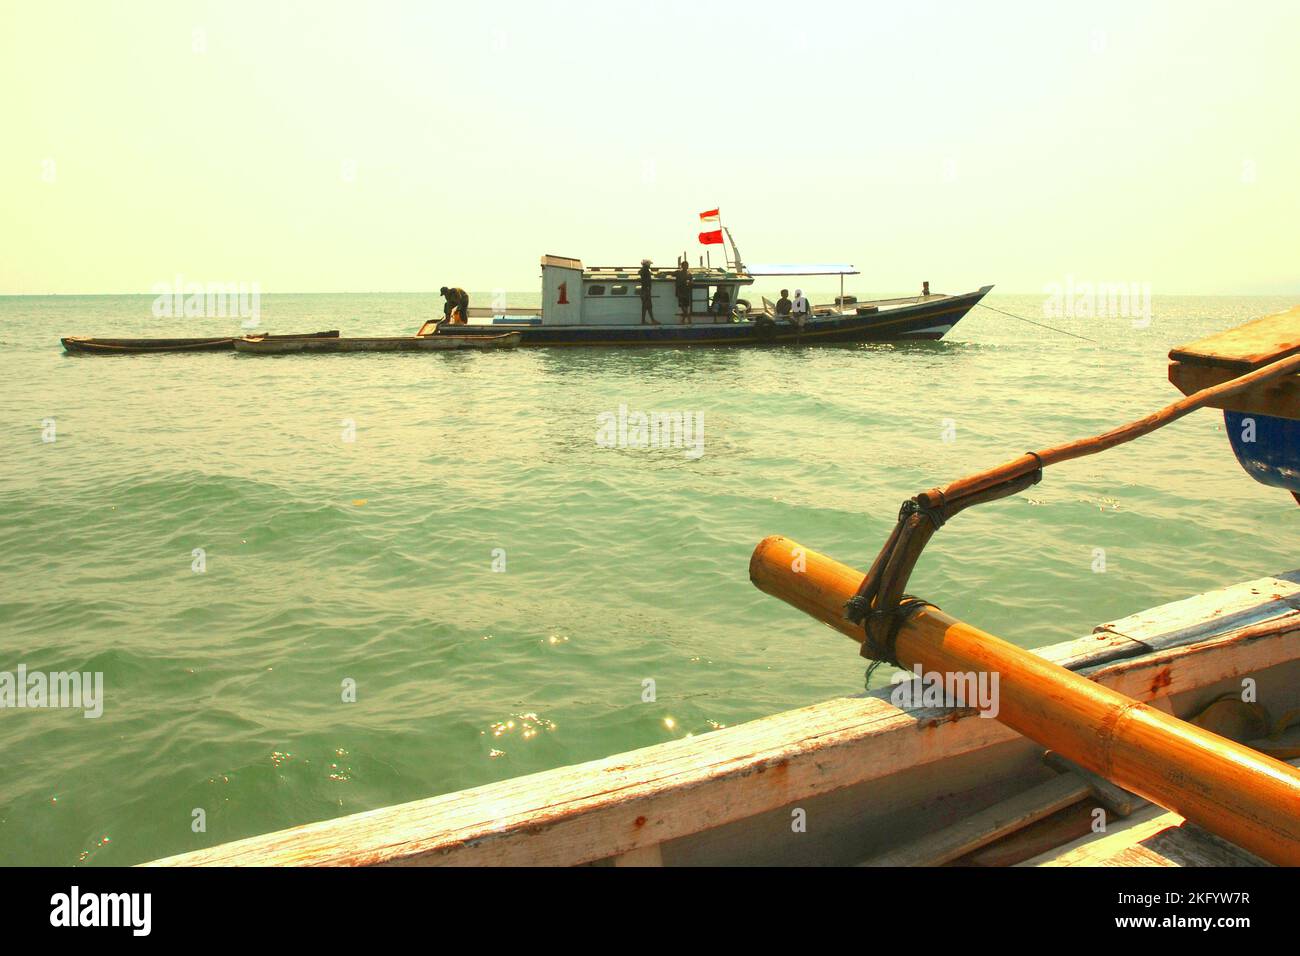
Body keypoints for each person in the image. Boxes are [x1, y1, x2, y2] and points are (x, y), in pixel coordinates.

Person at [638, 260, 659, 325]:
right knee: (647, 306)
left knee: (647, 306)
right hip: (646, 290)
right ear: (647, 265)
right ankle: (647, 320)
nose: (650, 266)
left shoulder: (643, 270)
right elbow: (647, 280)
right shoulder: (645, 270)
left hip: (644, 290)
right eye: (649, 264)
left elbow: (640, 273)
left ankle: (648, 320)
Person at [674, 259, 692, 323]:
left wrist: (690, 283)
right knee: (682, 306)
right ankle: (687, 319)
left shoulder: (689, 274)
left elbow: (691, 283)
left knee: (686, 307)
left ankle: (684, 320)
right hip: (680, 292)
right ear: (681, 266)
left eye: (686, 265)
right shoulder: (678, 272)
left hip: (686, 292)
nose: (685, 267)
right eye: (684, 265)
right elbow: (670, 273)